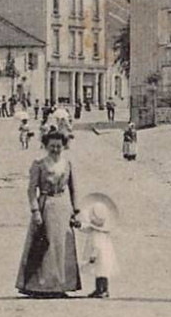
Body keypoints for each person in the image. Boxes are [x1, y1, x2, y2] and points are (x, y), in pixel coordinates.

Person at [16, 126, 82, 297]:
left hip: (63, 207)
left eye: (58, 146)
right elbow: (31, 190)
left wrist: (75, 210)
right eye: (52, 146)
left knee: (62, 246)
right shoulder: (39, 164)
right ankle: (39, 286)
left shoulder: (67, 164)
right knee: (44, 245)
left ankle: (61, 285)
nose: (55, 149)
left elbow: (73, 189)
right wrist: (35, 211)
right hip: (45, 206)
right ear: (46, 146)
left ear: (64, 146)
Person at [79, 192, 120, 299]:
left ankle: (102, 290)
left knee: (100, 274)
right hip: (106, 256)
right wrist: (79, 225)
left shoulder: (97, 234)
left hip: (100, 257)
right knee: (102, 274)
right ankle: (102, 290)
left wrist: (93, 256)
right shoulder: (102, 230)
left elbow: (97, 246)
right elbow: (87, 228)